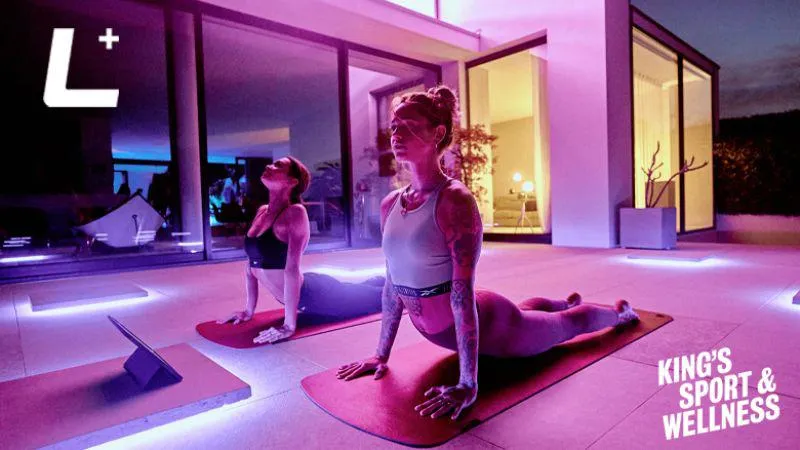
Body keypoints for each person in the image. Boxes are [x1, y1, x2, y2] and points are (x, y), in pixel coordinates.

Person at [336, 86, 639, 420]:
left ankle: (619, 313)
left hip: (493, 324)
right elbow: (393, 286)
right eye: (394, 126)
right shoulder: (390, 204)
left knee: (565, 326)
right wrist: (381, 355)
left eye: (408, 125)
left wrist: (468, 383)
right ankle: (560, 300)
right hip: (454, 325)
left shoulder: (455, 201)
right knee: (525, 312)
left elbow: (462, 295)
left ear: (437, 133)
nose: (396, 134)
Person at [218, 156, 385, 344]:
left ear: (292, 182)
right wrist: (248, 311)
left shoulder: (295, 213)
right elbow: (250, 267)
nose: (268, 166)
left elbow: (291, 269)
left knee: (380, 298)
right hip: (308, 286)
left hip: (317, 296)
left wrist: (289, 325)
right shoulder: (262, 211)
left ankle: (389, 283)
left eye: (278, 165)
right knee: (361, 289)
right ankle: (377, 280)